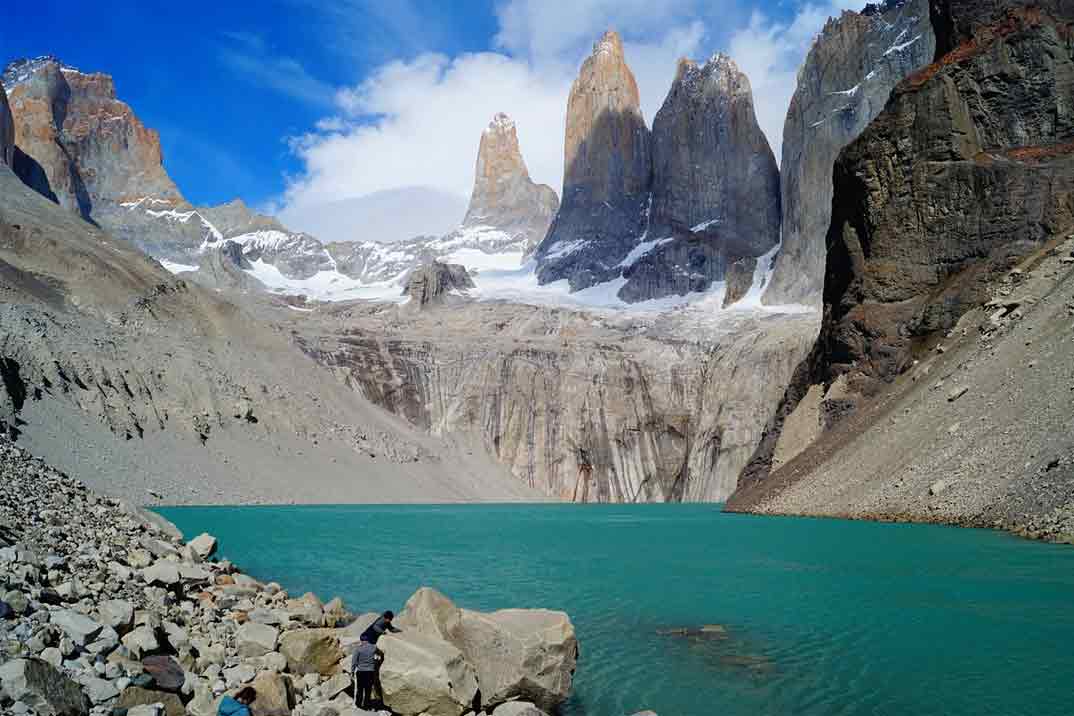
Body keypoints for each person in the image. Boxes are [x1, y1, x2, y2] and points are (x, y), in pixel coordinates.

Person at [351, 633, 383, 709]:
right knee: (368, 689)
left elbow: (354, 661)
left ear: (362, 640)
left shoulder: (358, 649)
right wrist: (377, 661)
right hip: (370, 672)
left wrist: (352, 671)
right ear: (368, 640)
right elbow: (380, 654)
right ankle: (367, 705)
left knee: (360, 689)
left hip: (361, 672)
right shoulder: (374, 647)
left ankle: (359, 704)